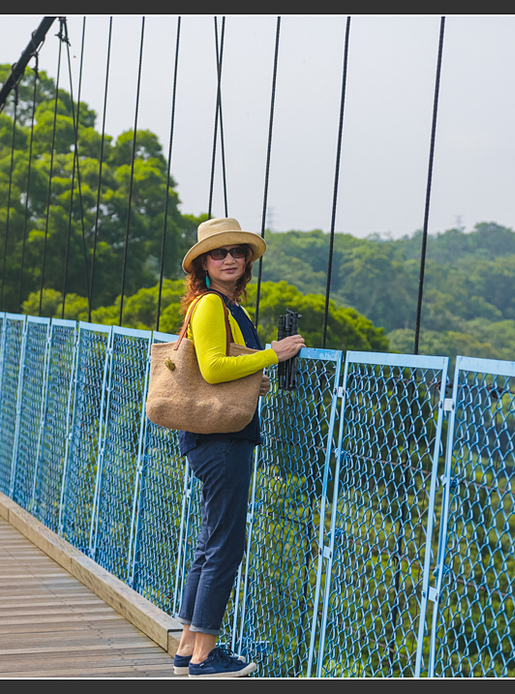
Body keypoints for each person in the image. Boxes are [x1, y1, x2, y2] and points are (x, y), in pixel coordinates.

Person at [171, 217, 305, 678]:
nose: (230, 259)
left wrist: (255, 378)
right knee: (226, 544)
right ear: (203, 265)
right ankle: (207, 658)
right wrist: (274, 354)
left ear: (246, 261)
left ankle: (188, 647)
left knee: (211, 541)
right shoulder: (212, 305)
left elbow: (230, 368)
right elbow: (211, 369)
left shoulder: (229, 307)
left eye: (237, 252)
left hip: (218, 435)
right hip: (221, 439)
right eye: (218, 253)